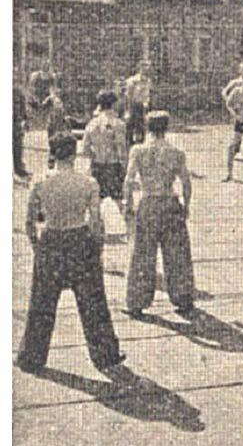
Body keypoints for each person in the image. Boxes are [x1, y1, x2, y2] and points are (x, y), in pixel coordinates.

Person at [16, 132, 128, 380]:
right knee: (93, 303)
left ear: (52, 153)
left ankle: (32, 356)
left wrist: (38, 248)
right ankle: (106, 354)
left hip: (51, 240)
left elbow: (29, 223)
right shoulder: (88, 183)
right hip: (80, 240)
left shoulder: (40, 182)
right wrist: (97, 251)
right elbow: (97, 224)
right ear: (74, 153)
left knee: (42, 304)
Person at [124, 111, 196, 317]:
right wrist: (187, 204)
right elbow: (186, 182)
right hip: (169, 201)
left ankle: (137, 301)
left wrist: (128, 203)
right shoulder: (176, 152)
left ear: (147, 128)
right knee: (177, 254)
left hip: (148, 201)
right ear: (167, 127)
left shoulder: (138, 151)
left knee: (142, 254)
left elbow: (128, 180)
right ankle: (183, 298)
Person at [82, 89, 128, 216]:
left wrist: (94, 156)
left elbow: (85, 149)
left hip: (97, 165)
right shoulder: (118, 124)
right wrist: (125, 166)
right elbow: (121, 148)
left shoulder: (92, 124)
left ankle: (97, 228)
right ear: (113, 104)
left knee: (97, 200)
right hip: (113, 166)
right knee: (117, 200)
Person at [42, 87, 71, 169]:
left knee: (57, 144)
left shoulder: (59, 101)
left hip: (59, 125)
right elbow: (43, 106)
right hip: (54, 125)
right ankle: (52, 162)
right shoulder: (52, 99)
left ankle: (54, 162)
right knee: (53, 144)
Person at [125, 59, 152, 147]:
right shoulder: (132, 81)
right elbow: (128, 95)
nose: (147, 70)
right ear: (140, 68)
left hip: (143, 106)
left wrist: (147, 103)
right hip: (133, 105)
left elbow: (147, 94)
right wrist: (128, 109)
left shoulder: (148, 81)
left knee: (142, 127)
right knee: (131, 126)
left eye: (148, 68)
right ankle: (129, 144)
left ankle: (141, 144)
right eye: (144, 68)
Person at [13, 75, 31, 180]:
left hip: (15, 123)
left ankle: (19, 169)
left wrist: (26, 119)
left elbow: (23, 107)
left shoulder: (18, 91)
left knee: (17, 146)